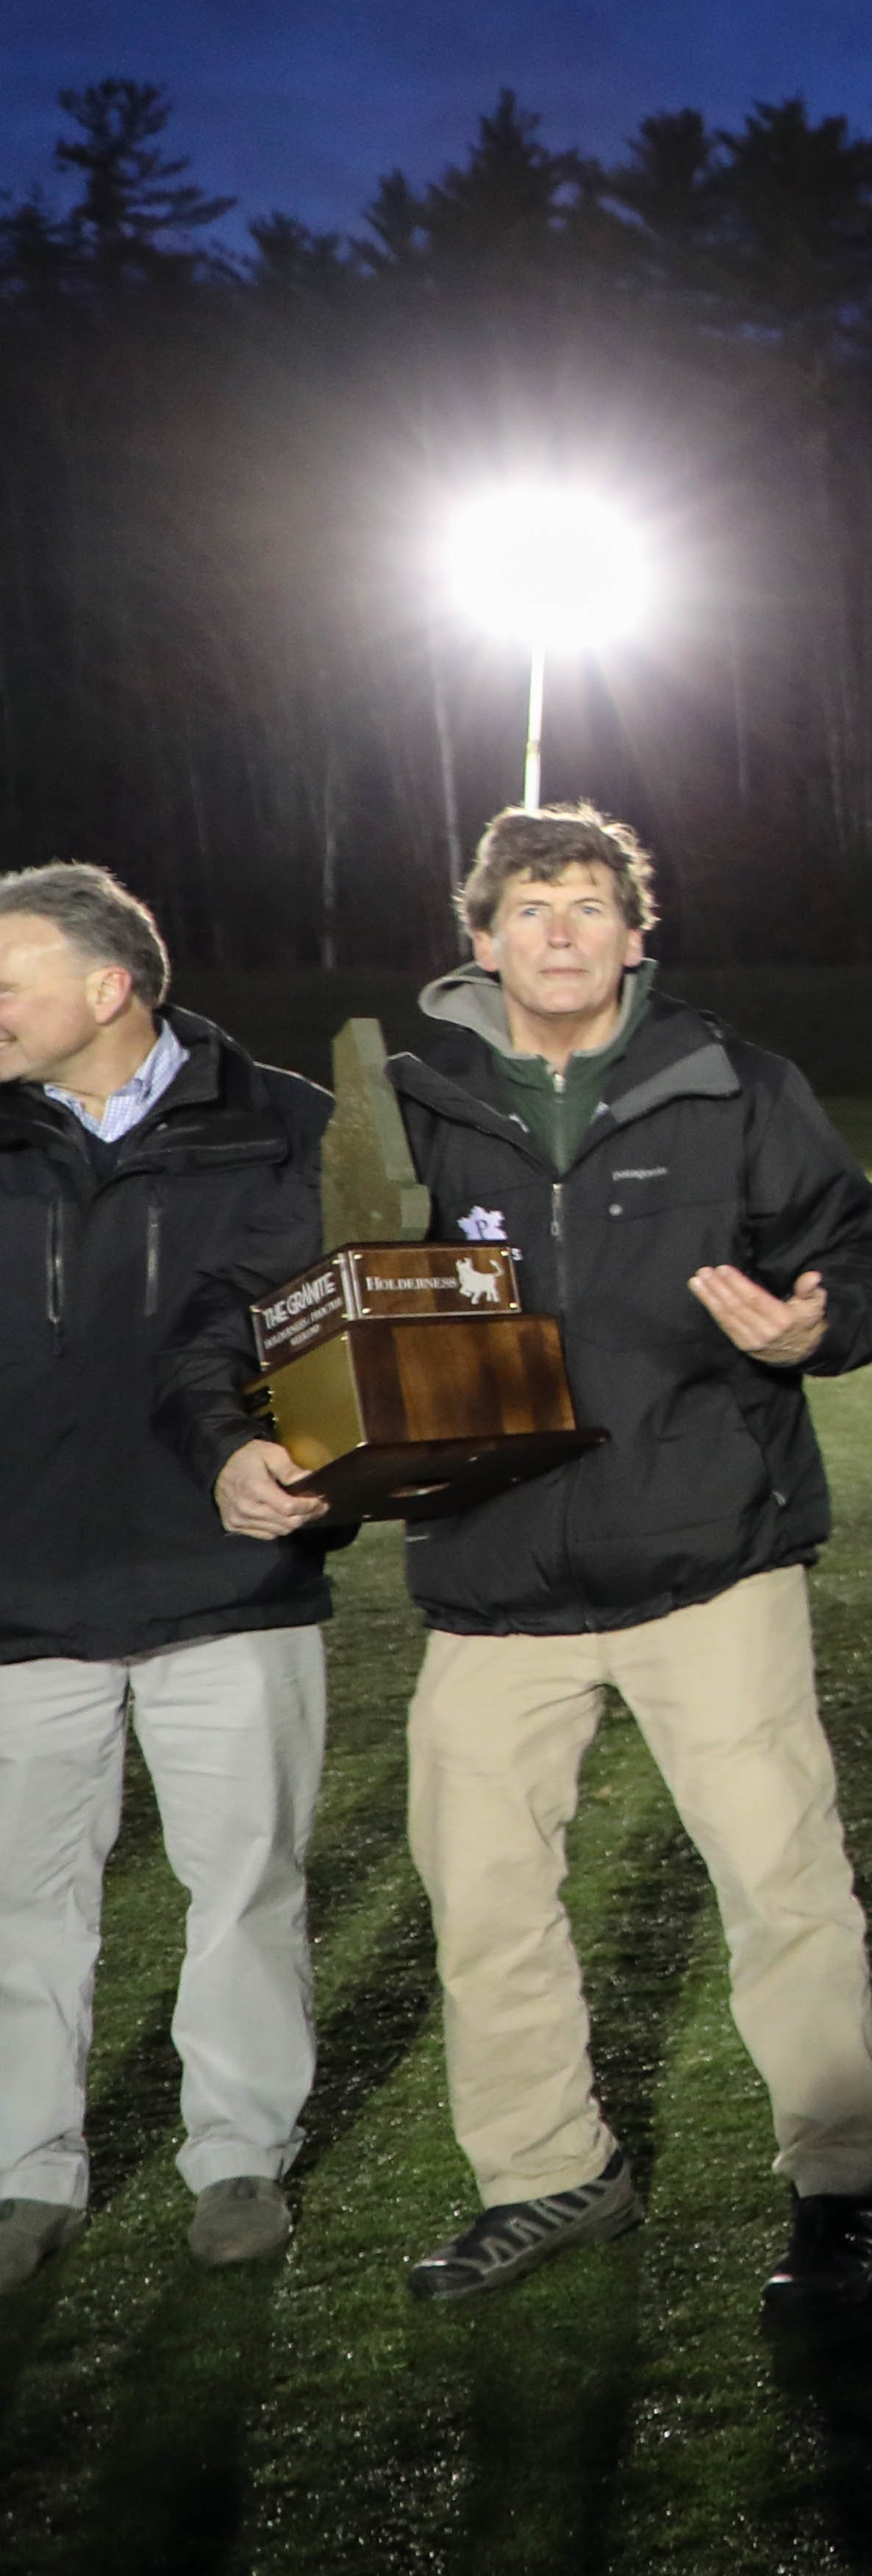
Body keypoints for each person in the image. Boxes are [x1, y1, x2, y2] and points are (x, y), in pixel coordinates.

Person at [227, 807, 872, 2313]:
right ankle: (549, 2173)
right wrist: (290, 1448)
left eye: (589, 903)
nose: (559, 928)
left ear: (633, 934)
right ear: (481, 939)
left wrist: (820, 1323)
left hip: (710, 1557)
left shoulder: (735, 1081)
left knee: (784, 1884)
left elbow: (860, 1255)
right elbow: (296, 1303)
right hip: (493, 1566)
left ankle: (840, 2174)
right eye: (531, 905)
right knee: (482, 1899)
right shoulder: (398, 1103)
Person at [0, 864, 333, 2291]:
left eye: (7, 980)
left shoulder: (288, 1126)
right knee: (20, 1900)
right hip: (21, 1593)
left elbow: (345, 1339)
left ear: (110, 985)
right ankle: (24, 2171)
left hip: (232, 1577)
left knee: (245, 1880)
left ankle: (238, 2153)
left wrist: (302, 1467)